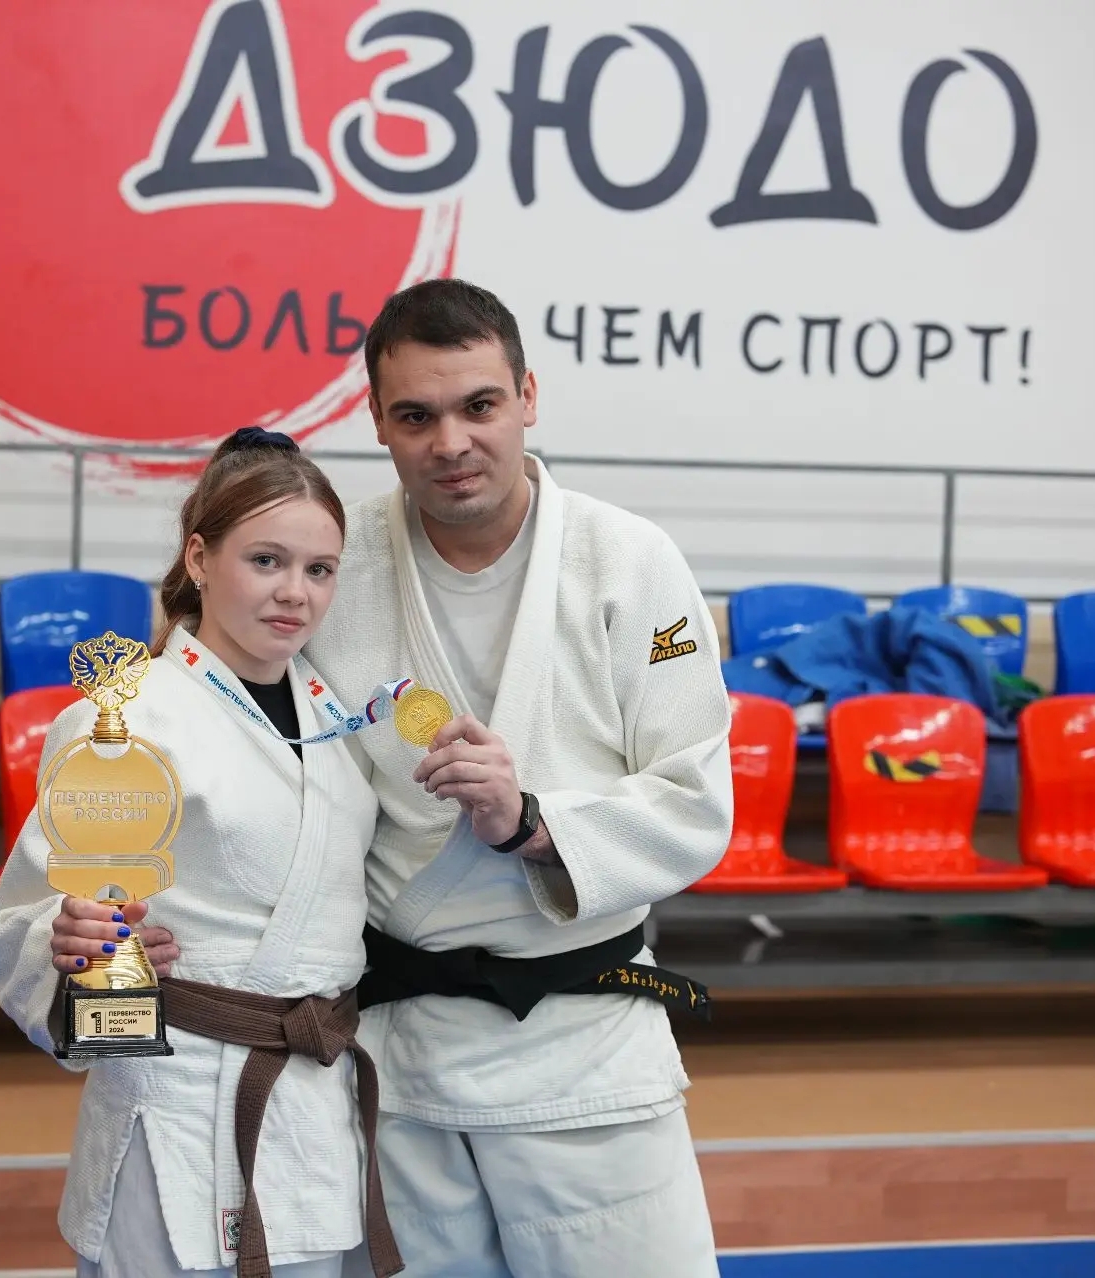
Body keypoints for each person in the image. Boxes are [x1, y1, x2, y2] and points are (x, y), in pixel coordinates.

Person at [308, 278, 734, 1275]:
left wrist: (532, 822)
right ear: (377, 420)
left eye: (479, 406)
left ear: (528, 397)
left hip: (587, 1046)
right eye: (417, 416)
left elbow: (694, 801)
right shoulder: (331, 567)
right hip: (399, 1053)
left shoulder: (631, 562)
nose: (451, 442)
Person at [0, 427, 402, 1278]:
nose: (296, 593)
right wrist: (71, 938)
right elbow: (32, 915)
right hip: (175, 1098)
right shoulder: (125, 717)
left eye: (319, 570)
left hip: (314, 1100)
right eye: (266, 561)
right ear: (200, 558)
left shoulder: (342, 720)